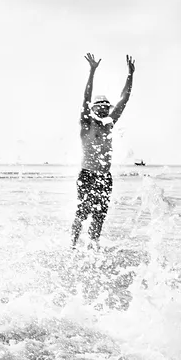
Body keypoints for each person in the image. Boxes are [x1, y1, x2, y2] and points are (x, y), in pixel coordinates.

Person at [71, 53, 135, 248]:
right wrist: (92, 71)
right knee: (82, 212)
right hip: (87, 174)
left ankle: (94, 246)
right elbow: (86, 98)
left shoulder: (109, 124)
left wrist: (130, 74)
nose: (104, 110)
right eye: (100, 107)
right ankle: (72, 244)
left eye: (107, 107)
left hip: (105, 177)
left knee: (100, 214)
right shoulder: (86, 124)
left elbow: (124, 99)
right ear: (94, 109)